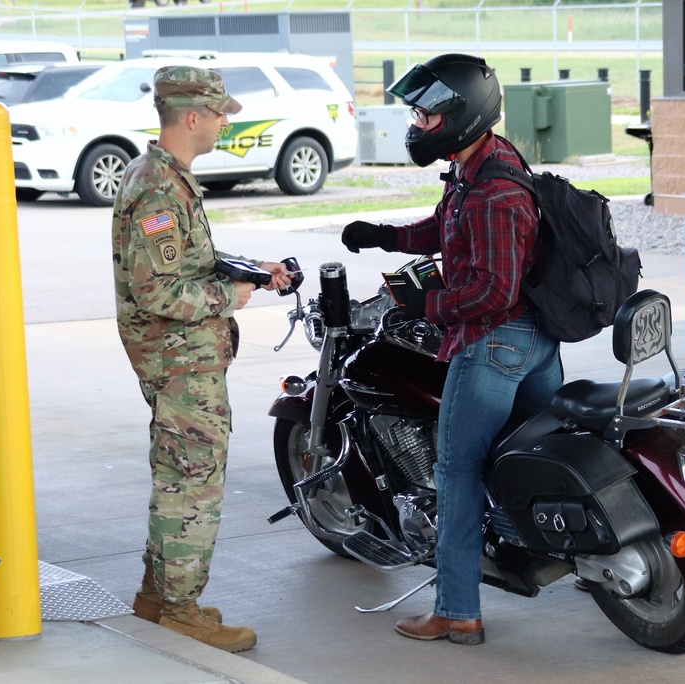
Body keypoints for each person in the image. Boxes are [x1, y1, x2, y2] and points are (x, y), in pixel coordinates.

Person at [341, 53, 563, 645]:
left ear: (462, 116)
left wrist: (426, 308)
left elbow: (492, 291)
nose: (417, 124)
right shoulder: (486, 162)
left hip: (496, 344)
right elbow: (447, 229)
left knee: (455, 469)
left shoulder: (491, 193)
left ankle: (457, 609)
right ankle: (540, 547)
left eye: (428, 115)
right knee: (530, 452)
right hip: (535, 339)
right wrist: (384, 237)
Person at [111, 65, 291, 653]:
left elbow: (184, 261)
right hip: (179, 362)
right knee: (193, 484)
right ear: (192, 117)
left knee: (177, 474)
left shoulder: (164, 178)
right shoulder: (158, 189)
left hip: (182, 359)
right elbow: (156, 291)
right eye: (218, 113)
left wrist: (251, 272)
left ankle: (156, 597)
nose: (223, 122)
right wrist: (227, 296)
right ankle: (183, 611)